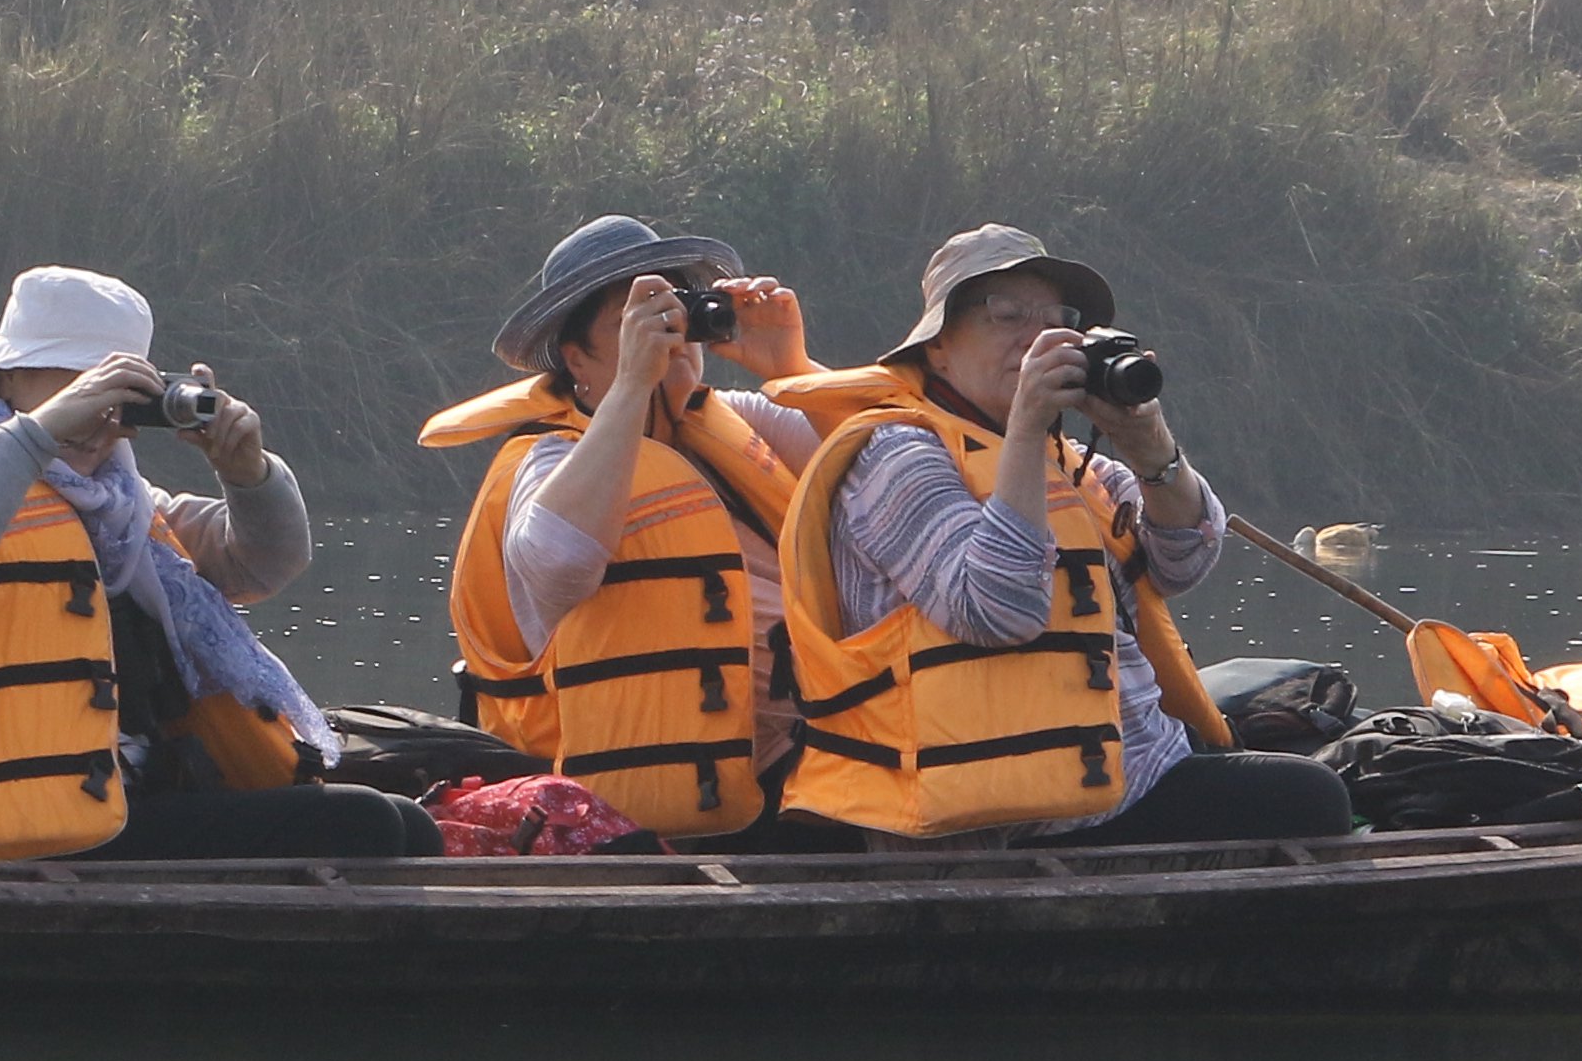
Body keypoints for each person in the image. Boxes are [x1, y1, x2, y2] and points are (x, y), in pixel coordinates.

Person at [0, 264, 440, 862]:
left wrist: (250, 474)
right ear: (8, 379)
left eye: (118, 397)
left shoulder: (120, 504)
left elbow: (264, 565)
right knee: (367, 827)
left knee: (407, 824)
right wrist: (38, 434)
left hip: (122, 805)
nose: (101, 417)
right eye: (75, 385)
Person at [773, 224, 1358, 846]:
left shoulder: (1071, 462)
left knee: (1320, 757)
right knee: (1311, 800)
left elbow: (1181, 563)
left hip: (1121, 768)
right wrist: (1026, 428)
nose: (1039, 336)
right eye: (1007, 316)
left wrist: (1150, 447)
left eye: (1058, 318)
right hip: (1003, 807)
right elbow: (994, 611)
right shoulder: (897, 457)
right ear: (937, 349)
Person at [422, 216, 822, 841]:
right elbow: (556, 565)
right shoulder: (549, 460)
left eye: (675, 305)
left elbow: (890, 477)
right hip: (615, 810)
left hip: (790, 769)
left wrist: (793, 368)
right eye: (636, 317)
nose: (667, 332)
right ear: (577, 356)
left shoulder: (740, 421)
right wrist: (634, 384)